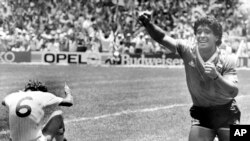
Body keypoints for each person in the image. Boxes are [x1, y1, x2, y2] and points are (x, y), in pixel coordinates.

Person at [138, 13, 241, 141]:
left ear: (217, 36)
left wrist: (216, 76)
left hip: (227, 112)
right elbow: (163, 37)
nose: (202, 35)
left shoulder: (227, 59)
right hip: (201, 113)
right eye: (199, 32)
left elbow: (233, 91)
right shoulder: (187, 49)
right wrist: (148, 24)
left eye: (207, 32)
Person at [2, 80, 73, 141]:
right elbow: (69, 102)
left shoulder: (12, 96)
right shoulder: (42, 95)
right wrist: (68, 92)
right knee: (58, 115)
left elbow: (3, 101)